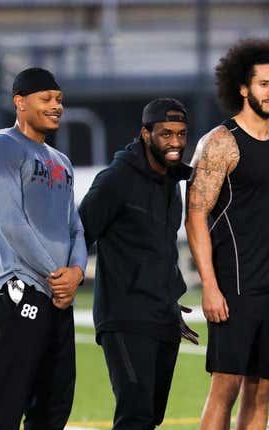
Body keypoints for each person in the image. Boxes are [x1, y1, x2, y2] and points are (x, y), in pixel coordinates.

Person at [185, 39, 269, 430]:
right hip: (234, 288)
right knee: (227, 387)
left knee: (263, 389)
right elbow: (196, 216)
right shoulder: (219, 143)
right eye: (263, 84)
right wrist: (209, 286)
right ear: (243, 87)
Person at [0, 67, 87, 429]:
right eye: (46, 99)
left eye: (59, 100)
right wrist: (57, 276)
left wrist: (77, 272)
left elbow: (75, 226)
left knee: (54, 405)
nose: (56, 106)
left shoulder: (61, 162)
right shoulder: (1, 146)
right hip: (19, 290)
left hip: (57, 295)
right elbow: (12, 224)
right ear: (20, 103)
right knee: (7, 404)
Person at [78, 98, 198, 429]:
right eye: (165, 134)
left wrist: (169, 300)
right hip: (124, 314)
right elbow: (78, 234)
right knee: (135, 414)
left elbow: (161, 248)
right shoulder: (115, 180)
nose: (175, 142)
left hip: (162, 314)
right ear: (145, 134)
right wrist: (61, 288)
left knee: (151, 416)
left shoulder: (173, 180)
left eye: (181, 134)